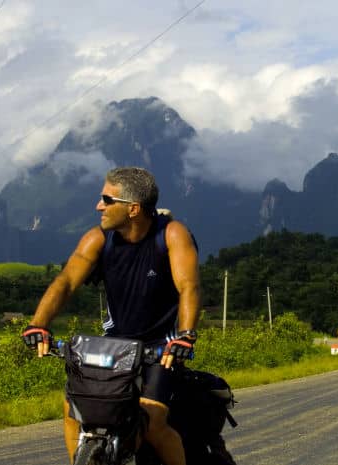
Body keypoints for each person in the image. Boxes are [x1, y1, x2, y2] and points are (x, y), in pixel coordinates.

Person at [21, 167, 200, 465]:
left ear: (133, 209)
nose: (98, 206)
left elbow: (189, 287)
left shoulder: (171, 234)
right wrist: (37, 325)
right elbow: (66, 282)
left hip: (162, 346)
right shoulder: (98, 239)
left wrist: (185, 336)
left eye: (106, 199)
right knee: (73, 411)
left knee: (152, 420)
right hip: (115, 344)